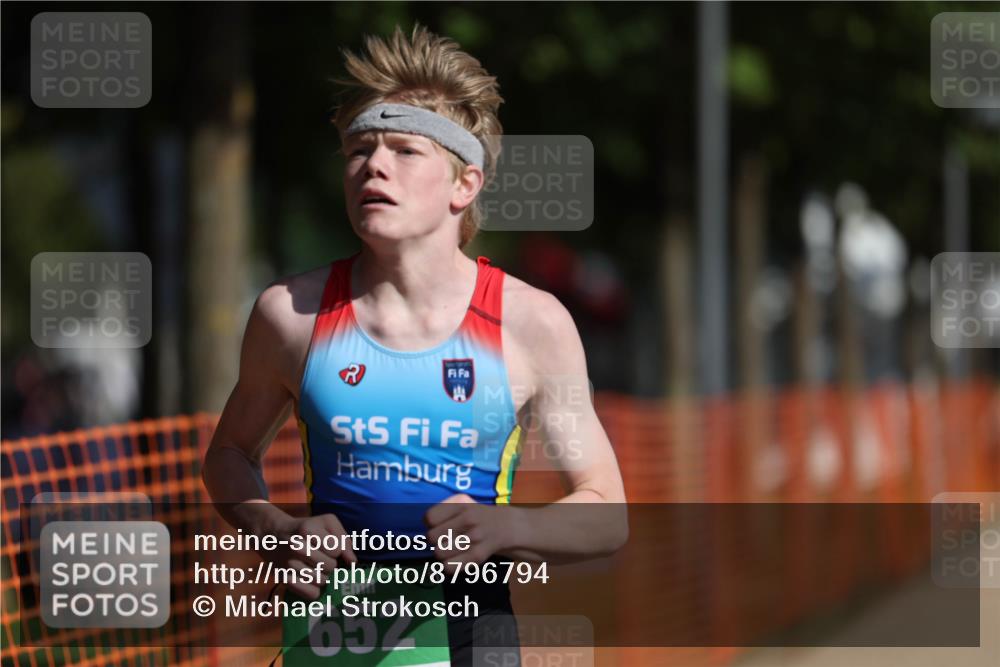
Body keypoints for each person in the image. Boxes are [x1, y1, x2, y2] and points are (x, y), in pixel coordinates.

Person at [202, 23, 626, 665]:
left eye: (404, 150)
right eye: (358, 150)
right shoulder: (290, 315)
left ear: (465, 185)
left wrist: (512, 527)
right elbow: (230, 453)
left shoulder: (530, 323)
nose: (373, 164)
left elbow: (607, 512)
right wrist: (279, 530)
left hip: (469, 638)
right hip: (332, 638)